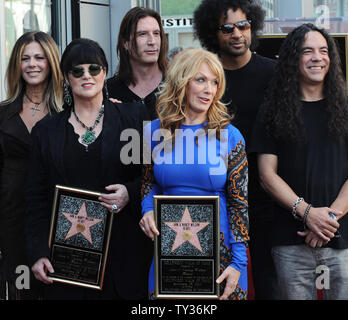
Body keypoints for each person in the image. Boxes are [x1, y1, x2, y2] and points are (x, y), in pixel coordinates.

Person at [25, 38, 150, 300]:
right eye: (77, 70)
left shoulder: (133, 119)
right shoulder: (46, 132)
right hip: (67, 259)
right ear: (66, 77)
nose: (86, 76)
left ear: (104, 72)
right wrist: (37, 253)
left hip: (123, 254)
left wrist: (129, 192)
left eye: (94, 68)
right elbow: (34, 198)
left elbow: (152, 176)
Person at [140, 48, 249, 300]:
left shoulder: (230, 136)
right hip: (169, 254)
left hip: (222, 259)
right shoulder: (153, 132)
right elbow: (148, 185)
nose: (209, 89)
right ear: (181, 81)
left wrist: (238, 264)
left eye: (214, 82)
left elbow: (239, 205)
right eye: (200, 80)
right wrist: (146, 210)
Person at [250, 23, 348, 300]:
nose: (317, 57)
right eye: (307, 51)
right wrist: (307, 213)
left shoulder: (346, 106)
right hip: (290, 242)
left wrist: (328, 219)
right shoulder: (272, 110)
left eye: (323, 50)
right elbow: (266, 176)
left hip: (341, 239)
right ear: (294, 58)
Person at [193, 0, 277, 299]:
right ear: (211, 33)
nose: (237, 34)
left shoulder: (273, 73)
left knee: (268, 285)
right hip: (217, 201)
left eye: (243, 25)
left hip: (267, 198)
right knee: (218, 290)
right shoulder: (207, 77)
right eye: (227, 28)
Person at [0, 31, 63, 300]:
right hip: (10, 220)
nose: (32, 64)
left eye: (39, 57)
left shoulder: (66, 112)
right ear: (17, 64)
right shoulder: (3, 113)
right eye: (25, 58)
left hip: (54, 220)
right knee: (20, 291)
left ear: (51, 62)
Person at [106, 7, 167, 120]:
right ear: (126, 43)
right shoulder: (108, 91)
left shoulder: (177, 85)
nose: (152, 41)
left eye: (156, 33)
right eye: (142, 34)